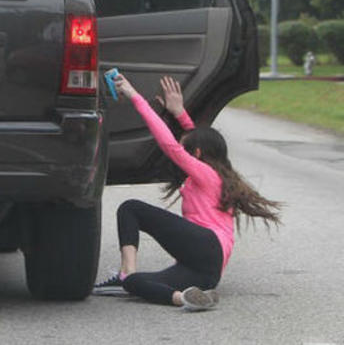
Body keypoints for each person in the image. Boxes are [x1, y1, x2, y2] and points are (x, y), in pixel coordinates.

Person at [93, 74, 282, 311]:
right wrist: (179, 113)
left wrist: (134, 96)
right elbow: (198, 139)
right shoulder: (216, 174)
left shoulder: (207, 174)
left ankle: (125, 271)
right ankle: (184, 298)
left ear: (198, 153)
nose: (181, 151)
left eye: (186, 148)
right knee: (135, 283)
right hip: (208, 272)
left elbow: (170, 145)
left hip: (206, 245)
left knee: (130, 208)